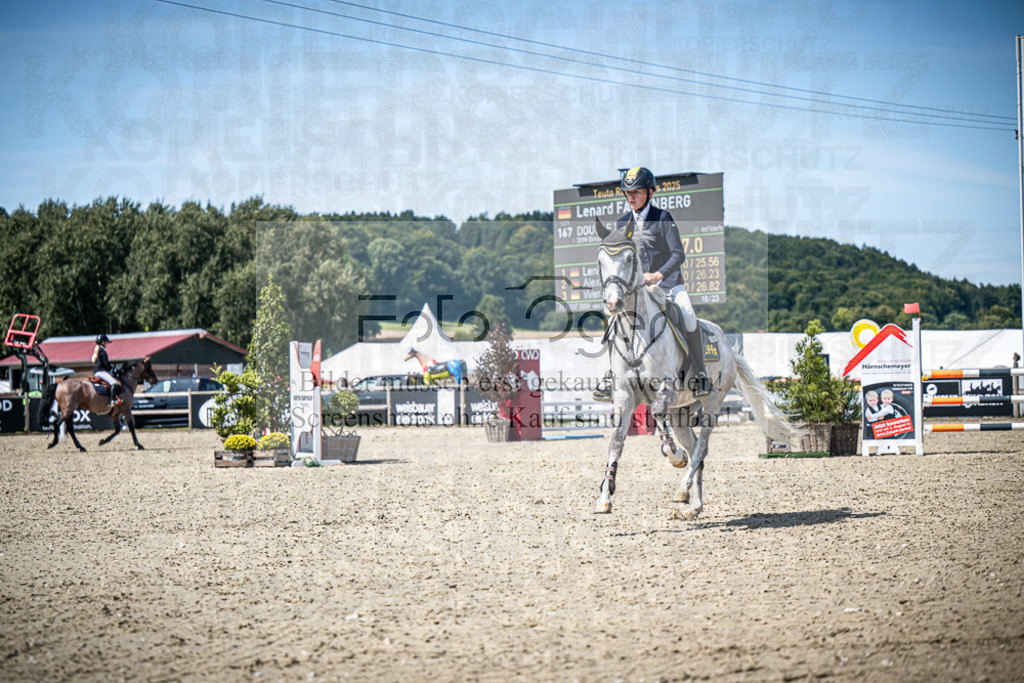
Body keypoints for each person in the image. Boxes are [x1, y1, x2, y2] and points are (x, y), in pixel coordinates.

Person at [594, 166, 711, 401]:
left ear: (650, 192)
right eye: (627, 192)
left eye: (636, 192)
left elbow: (678, 255)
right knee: (612, 319)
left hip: (668, 285)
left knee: (688, 314)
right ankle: (611, 374)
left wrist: (659, 274)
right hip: (638, 290)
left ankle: (700, 374)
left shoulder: (663, 218)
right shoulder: (622, 223)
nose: (631, 196)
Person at [92, 334, 121, 409]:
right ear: (102, 343)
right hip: (101, 371)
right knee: (114, 383)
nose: (107, 344)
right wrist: (113, 370)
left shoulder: (98, 350)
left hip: (98, 371)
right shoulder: (102, 351)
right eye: (106, 342)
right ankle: (111, 401)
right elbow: (106, 365)